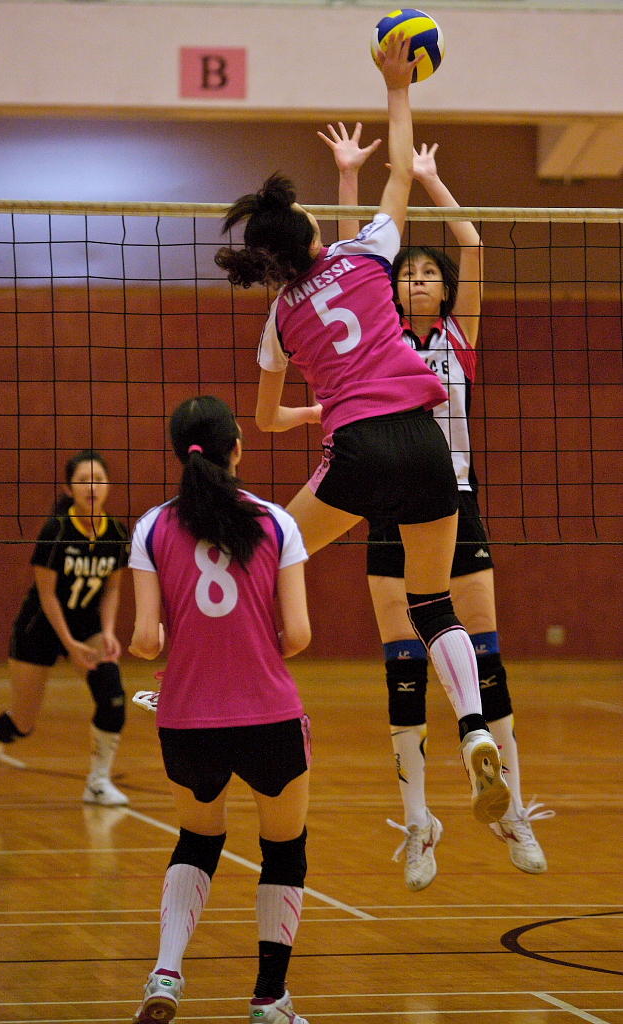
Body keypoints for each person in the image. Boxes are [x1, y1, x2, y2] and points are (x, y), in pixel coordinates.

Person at [214, 34, 511, 837]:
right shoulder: (367, 255)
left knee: (269, 551)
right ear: (312, 235)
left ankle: (236, 693)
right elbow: (399, 171)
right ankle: (473, 730)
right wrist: (397, 88)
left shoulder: (280, 318)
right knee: (431, 602)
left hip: (355, 449)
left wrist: (316, 412)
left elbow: (265, 420)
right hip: (424, 443)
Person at [320, 121, 553, 890]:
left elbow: (474, 244)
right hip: (388, 500)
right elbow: (349, 257)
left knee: (485, 657)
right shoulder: (376, 338)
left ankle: (510, 808)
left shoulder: (459, 335)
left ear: (444, 290)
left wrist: (426, 180)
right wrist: (349, 177)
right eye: (407, 273)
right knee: (403, 667)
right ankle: (419, 821)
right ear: (391, 288)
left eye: (428, 274)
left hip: (456, 498)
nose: (416, 280)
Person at [129, 395, 312, 1024]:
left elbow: (146, 641)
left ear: (181, 453)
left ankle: (166, 971)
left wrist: (178, 645)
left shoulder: (151, 527)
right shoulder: (277, 522)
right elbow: (299, 635)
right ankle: (269, 999)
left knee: (198, 840)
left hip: (187, 720)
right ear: (237, 447)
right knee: (283, 848)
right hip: (269, 715)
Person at [0, 449, 131, 806]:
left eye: (98, 480)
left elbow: (112, 588)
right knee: (23, 723)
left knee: (113, 699)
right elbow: (47, 595)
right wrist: (69, 644)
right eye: (83, 481)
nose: (92, 487)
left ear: (108, 485)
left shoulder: (115, 531)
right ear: (69, 488)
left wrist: (108, 631)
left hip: (86, 625)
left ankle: (97, 782)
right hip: (39, 629)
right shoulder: (57, 530)